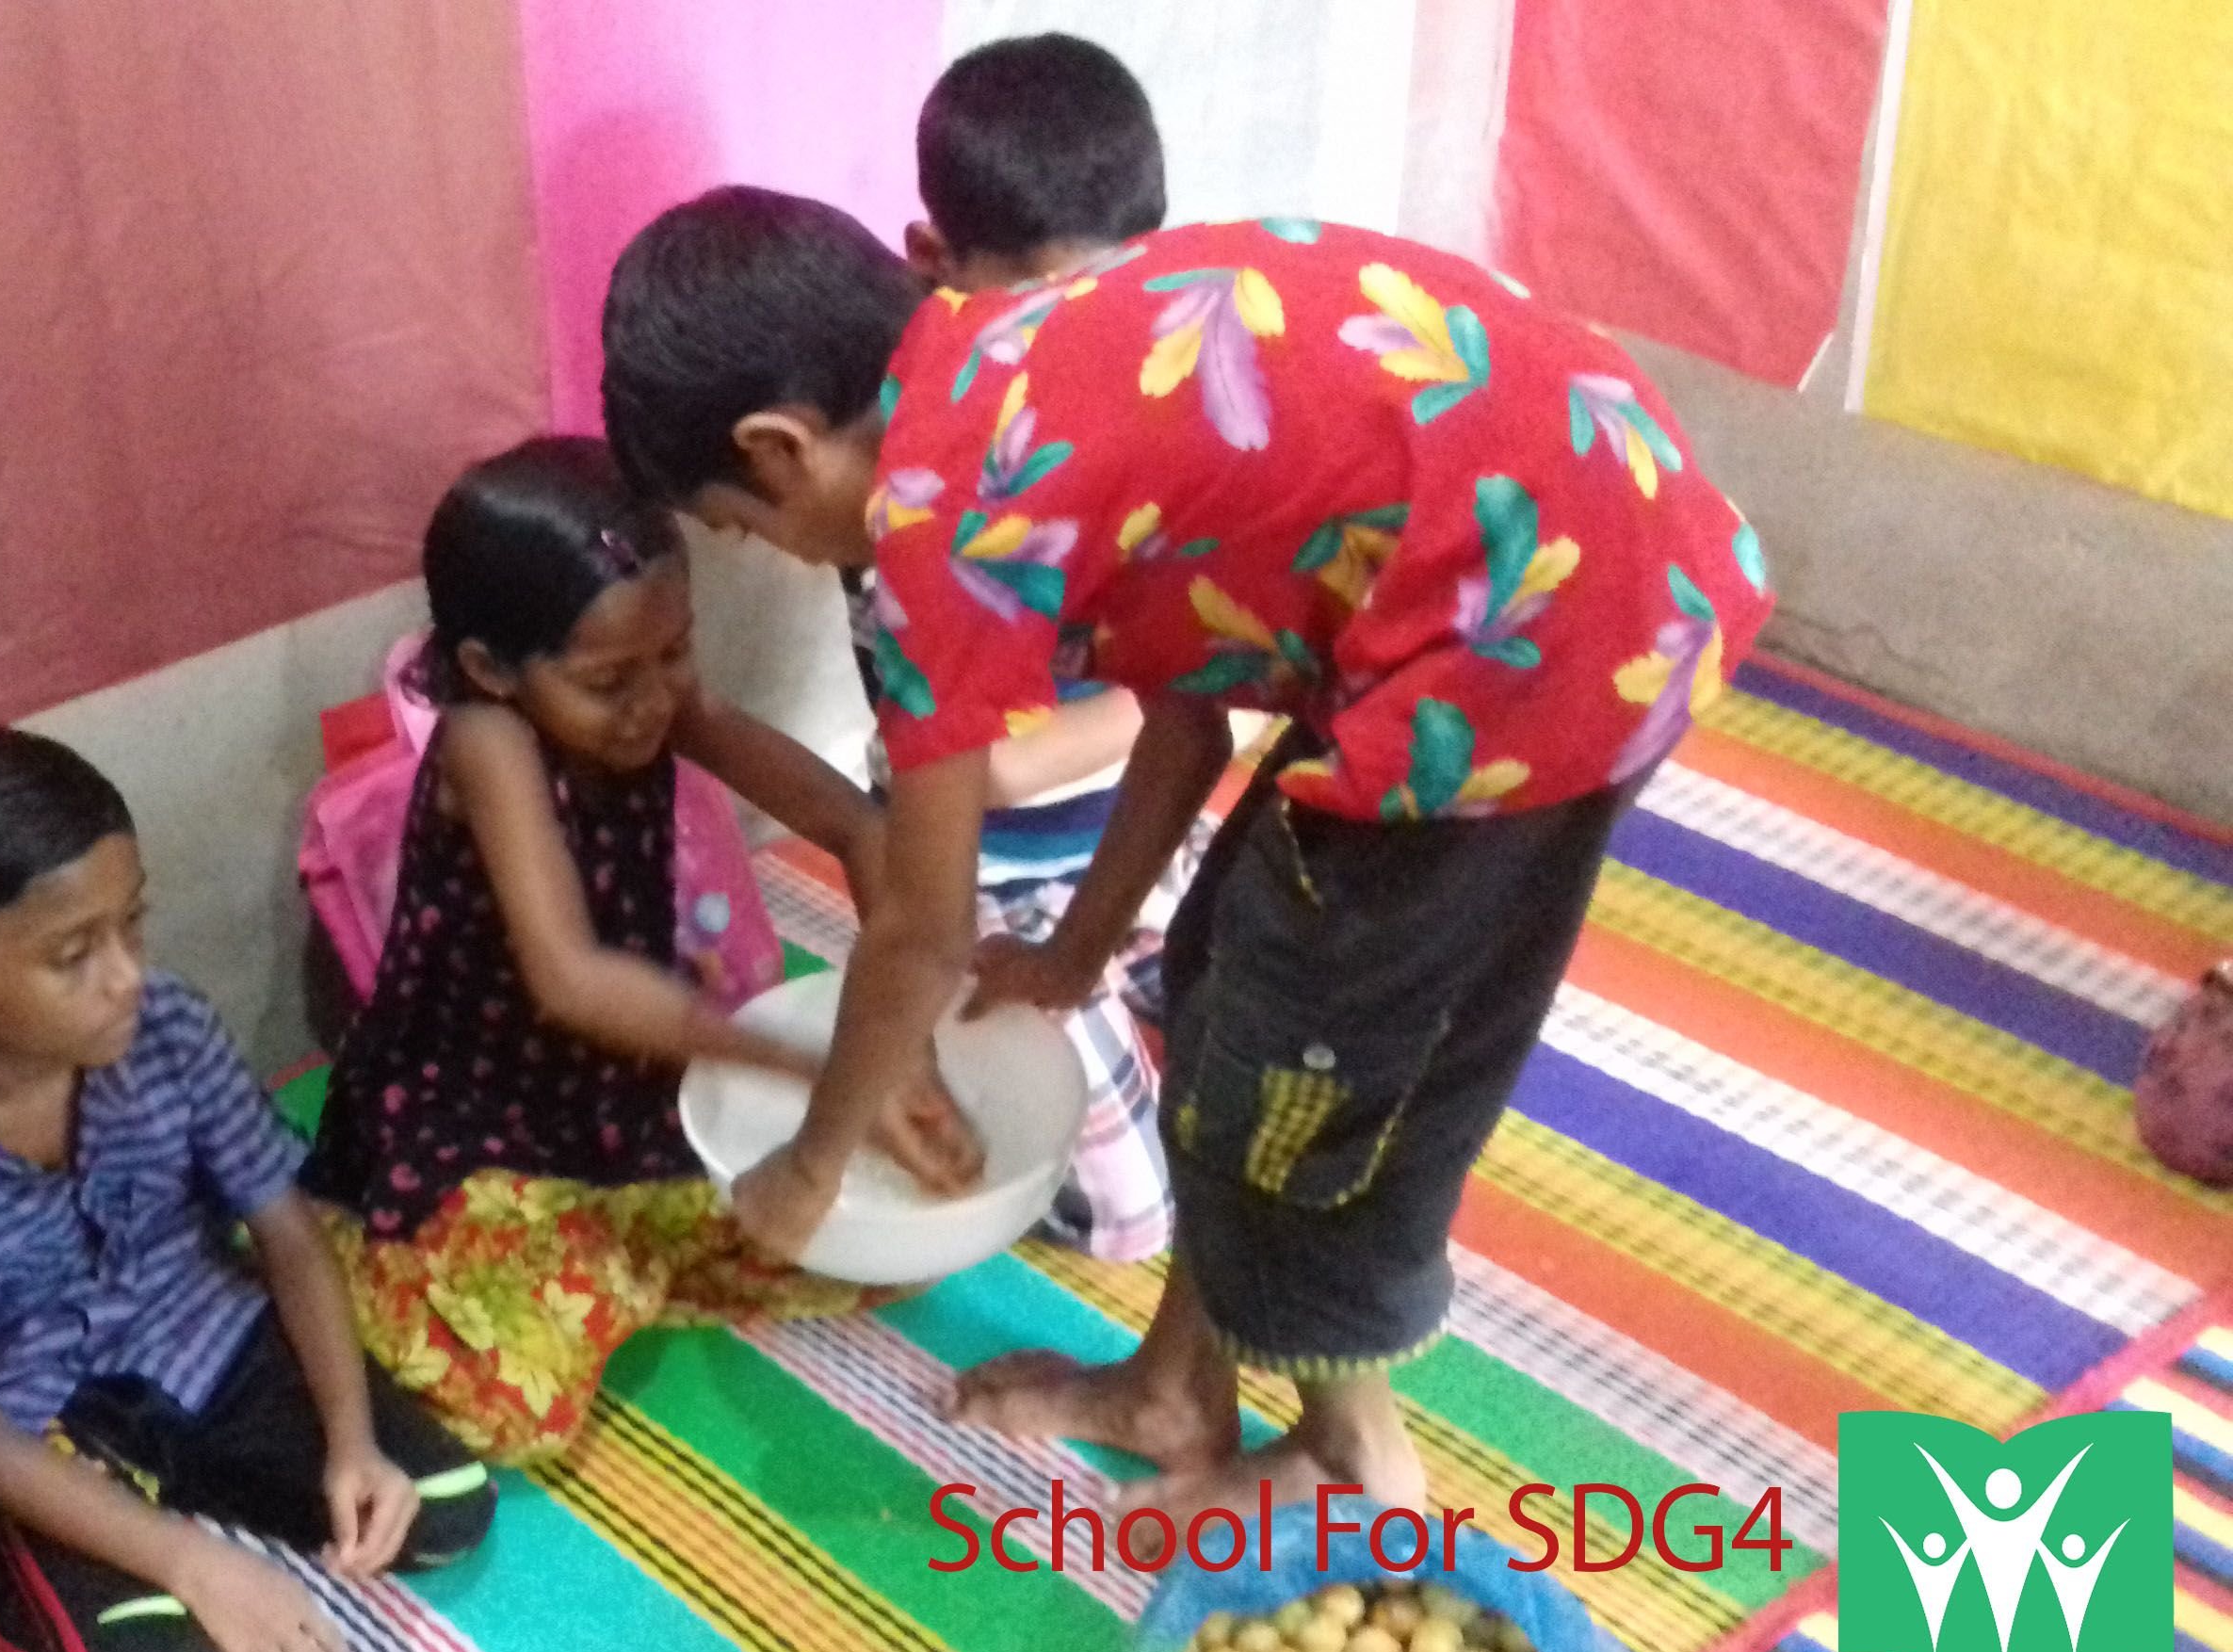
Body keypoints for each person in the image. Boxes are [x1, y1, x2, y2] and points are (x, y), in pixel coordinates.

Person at [599, 186, 1772, 1520]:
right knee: (1223, 976)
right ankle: (1175, 1390)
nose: (780, 555)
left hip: (1550, 623)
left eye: (751, 531)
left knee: (1303, 1071)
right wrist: (1078, 950)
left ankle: (1355, 1457)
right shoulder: (1002, 362)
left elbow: (919, 933)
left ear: (777, 451)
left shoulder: (937, 520)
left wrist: (811, 1169)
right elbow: (1187, 723)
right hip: (1581, 544)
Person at [0, 720, 494, 1652]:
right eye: (74, 953)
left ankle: (189, 1489)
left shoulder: (163, 1024)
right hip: (24, 1426)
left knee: (436, 1506)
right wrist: (195, 1562)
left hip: (196, 1337)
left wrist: (352, 1441)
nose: (126, 973)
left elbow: (287, 1232)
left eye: (133, 923)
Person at [305, 435, 969, 1466]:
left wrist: (903, 1055)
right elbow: (569, 980)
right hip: (476, 1127)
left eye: (677, 653)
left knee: (889, 1245)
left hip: (630, 1099)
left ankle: (618, 1265)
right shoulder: (492, 745)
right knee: (514, 1420)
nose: (655, 701)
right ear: (490, 669)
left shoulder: (669, 707)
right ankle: (346, 1248)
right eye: (610, 680)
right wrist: (826, 1066)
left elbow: (862, 830)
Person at [846, 32, 1219, 1263]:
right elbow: (996, 769)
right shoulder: (924, 484)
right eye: (1042, 307)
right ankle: (972, 1033)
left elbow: (1184, 710)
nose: (1082, 350)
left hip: (1147, 830)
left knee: (1269, 1049)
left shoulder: (1161, 392)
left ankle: (1119, 978)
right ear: (934, 267)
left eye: (1115, 302)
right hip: (1003, 879)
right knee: (1130, 1225)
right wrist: (1215, 696)